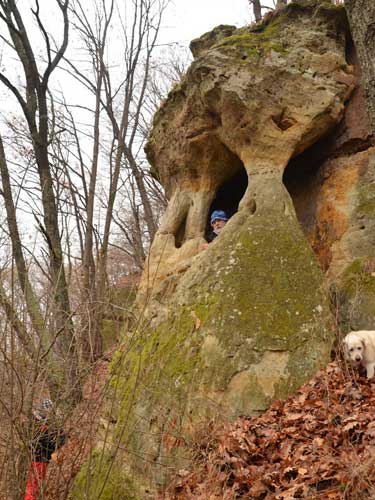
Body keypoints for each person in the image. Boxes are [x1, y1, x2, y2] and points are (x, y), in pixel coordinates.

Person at [24, 399, 65, 500]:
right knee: (33, 486)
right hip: (39, 459)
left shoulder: (38, 423)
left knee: (35, 485)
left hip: (39, 458)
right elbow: (46, 443)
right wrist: (60, 442)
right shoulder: (39, 425)